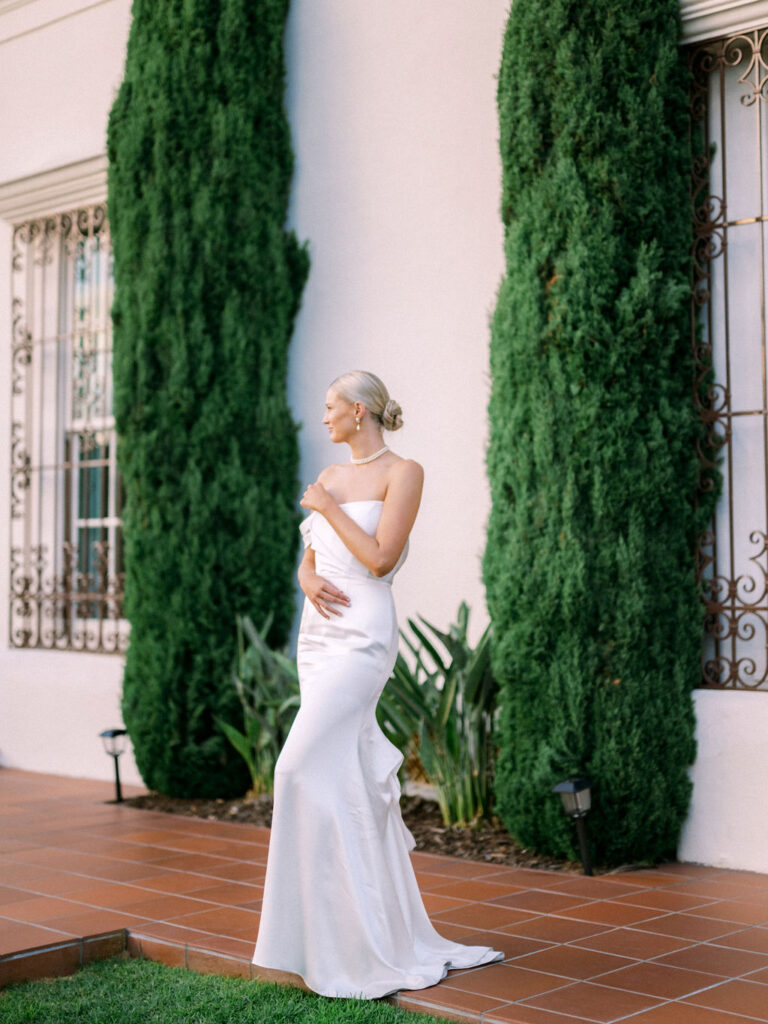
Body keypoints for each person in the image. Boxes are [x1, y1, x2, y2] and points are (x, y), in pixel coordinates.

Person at [252, 370, 502, 999]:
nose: (325, 415)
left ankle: (344, 941)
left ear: (359, 411)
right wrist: (303, 579)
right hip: (318, 635)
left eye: (332, 405)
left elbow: (381, 557)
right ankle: (332, 937)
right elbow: (312, 558)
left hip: (363, 633)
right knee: (343, 781)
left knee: (293, 768)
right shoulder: (329, 478)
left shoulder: (403, 472)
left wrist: (328, 508)